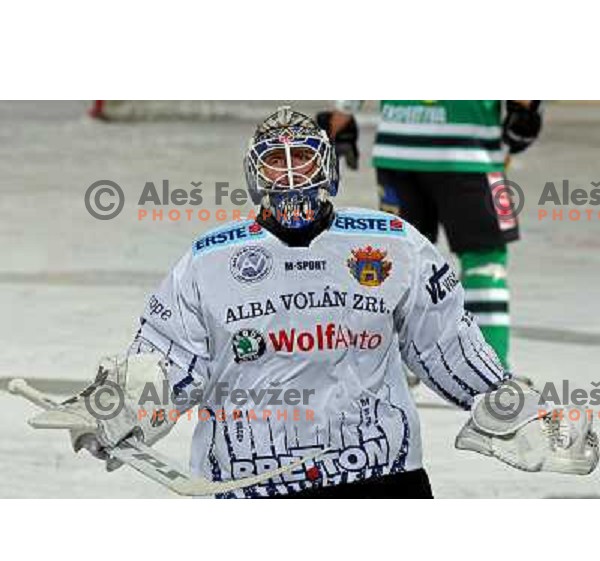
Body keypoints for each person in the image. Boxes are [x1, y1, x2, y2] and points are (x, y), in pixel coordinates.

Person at [61, 106, 596, 498]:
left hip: (381, 481)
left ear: (328, 167)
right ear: (254, 172)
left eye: (303, 157)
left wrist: (514, 411)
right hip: (255, 487)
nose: (290, 173)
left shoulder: (395, 243)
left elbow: (448, 344)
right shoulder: (209, 262)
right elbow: (166, 361)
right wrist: (120, 403)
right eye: (276, 160)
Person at [320, 101, 543, 372]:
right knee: (485, 260)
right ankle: (491, 370)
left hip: (398, 147)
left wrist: (341, 115)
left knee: (398, 266)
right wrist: (527, 110)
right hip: (471, 154)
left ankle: (395, 368)